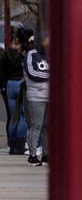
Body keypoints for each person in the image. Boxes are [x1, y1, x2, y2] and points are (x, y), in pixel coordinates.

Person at [18, 29, 50, 166]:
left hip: (49, 95)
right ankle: (32, 154)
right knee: (37, 124)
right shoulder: (31, 54)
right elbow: (32, 73)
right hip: (36, 95)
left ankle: (46, 153)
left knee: (47, 126)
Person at [0, 28, 28, 154]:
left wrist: (3, 86)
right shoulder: (23, 54)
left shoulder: (5, 54)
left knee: (12, 116)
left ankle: (11, 145)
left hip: (9, 84)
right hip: (21, 83)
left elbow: (2, 72)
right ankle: (20, 145)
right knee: (22, 115)